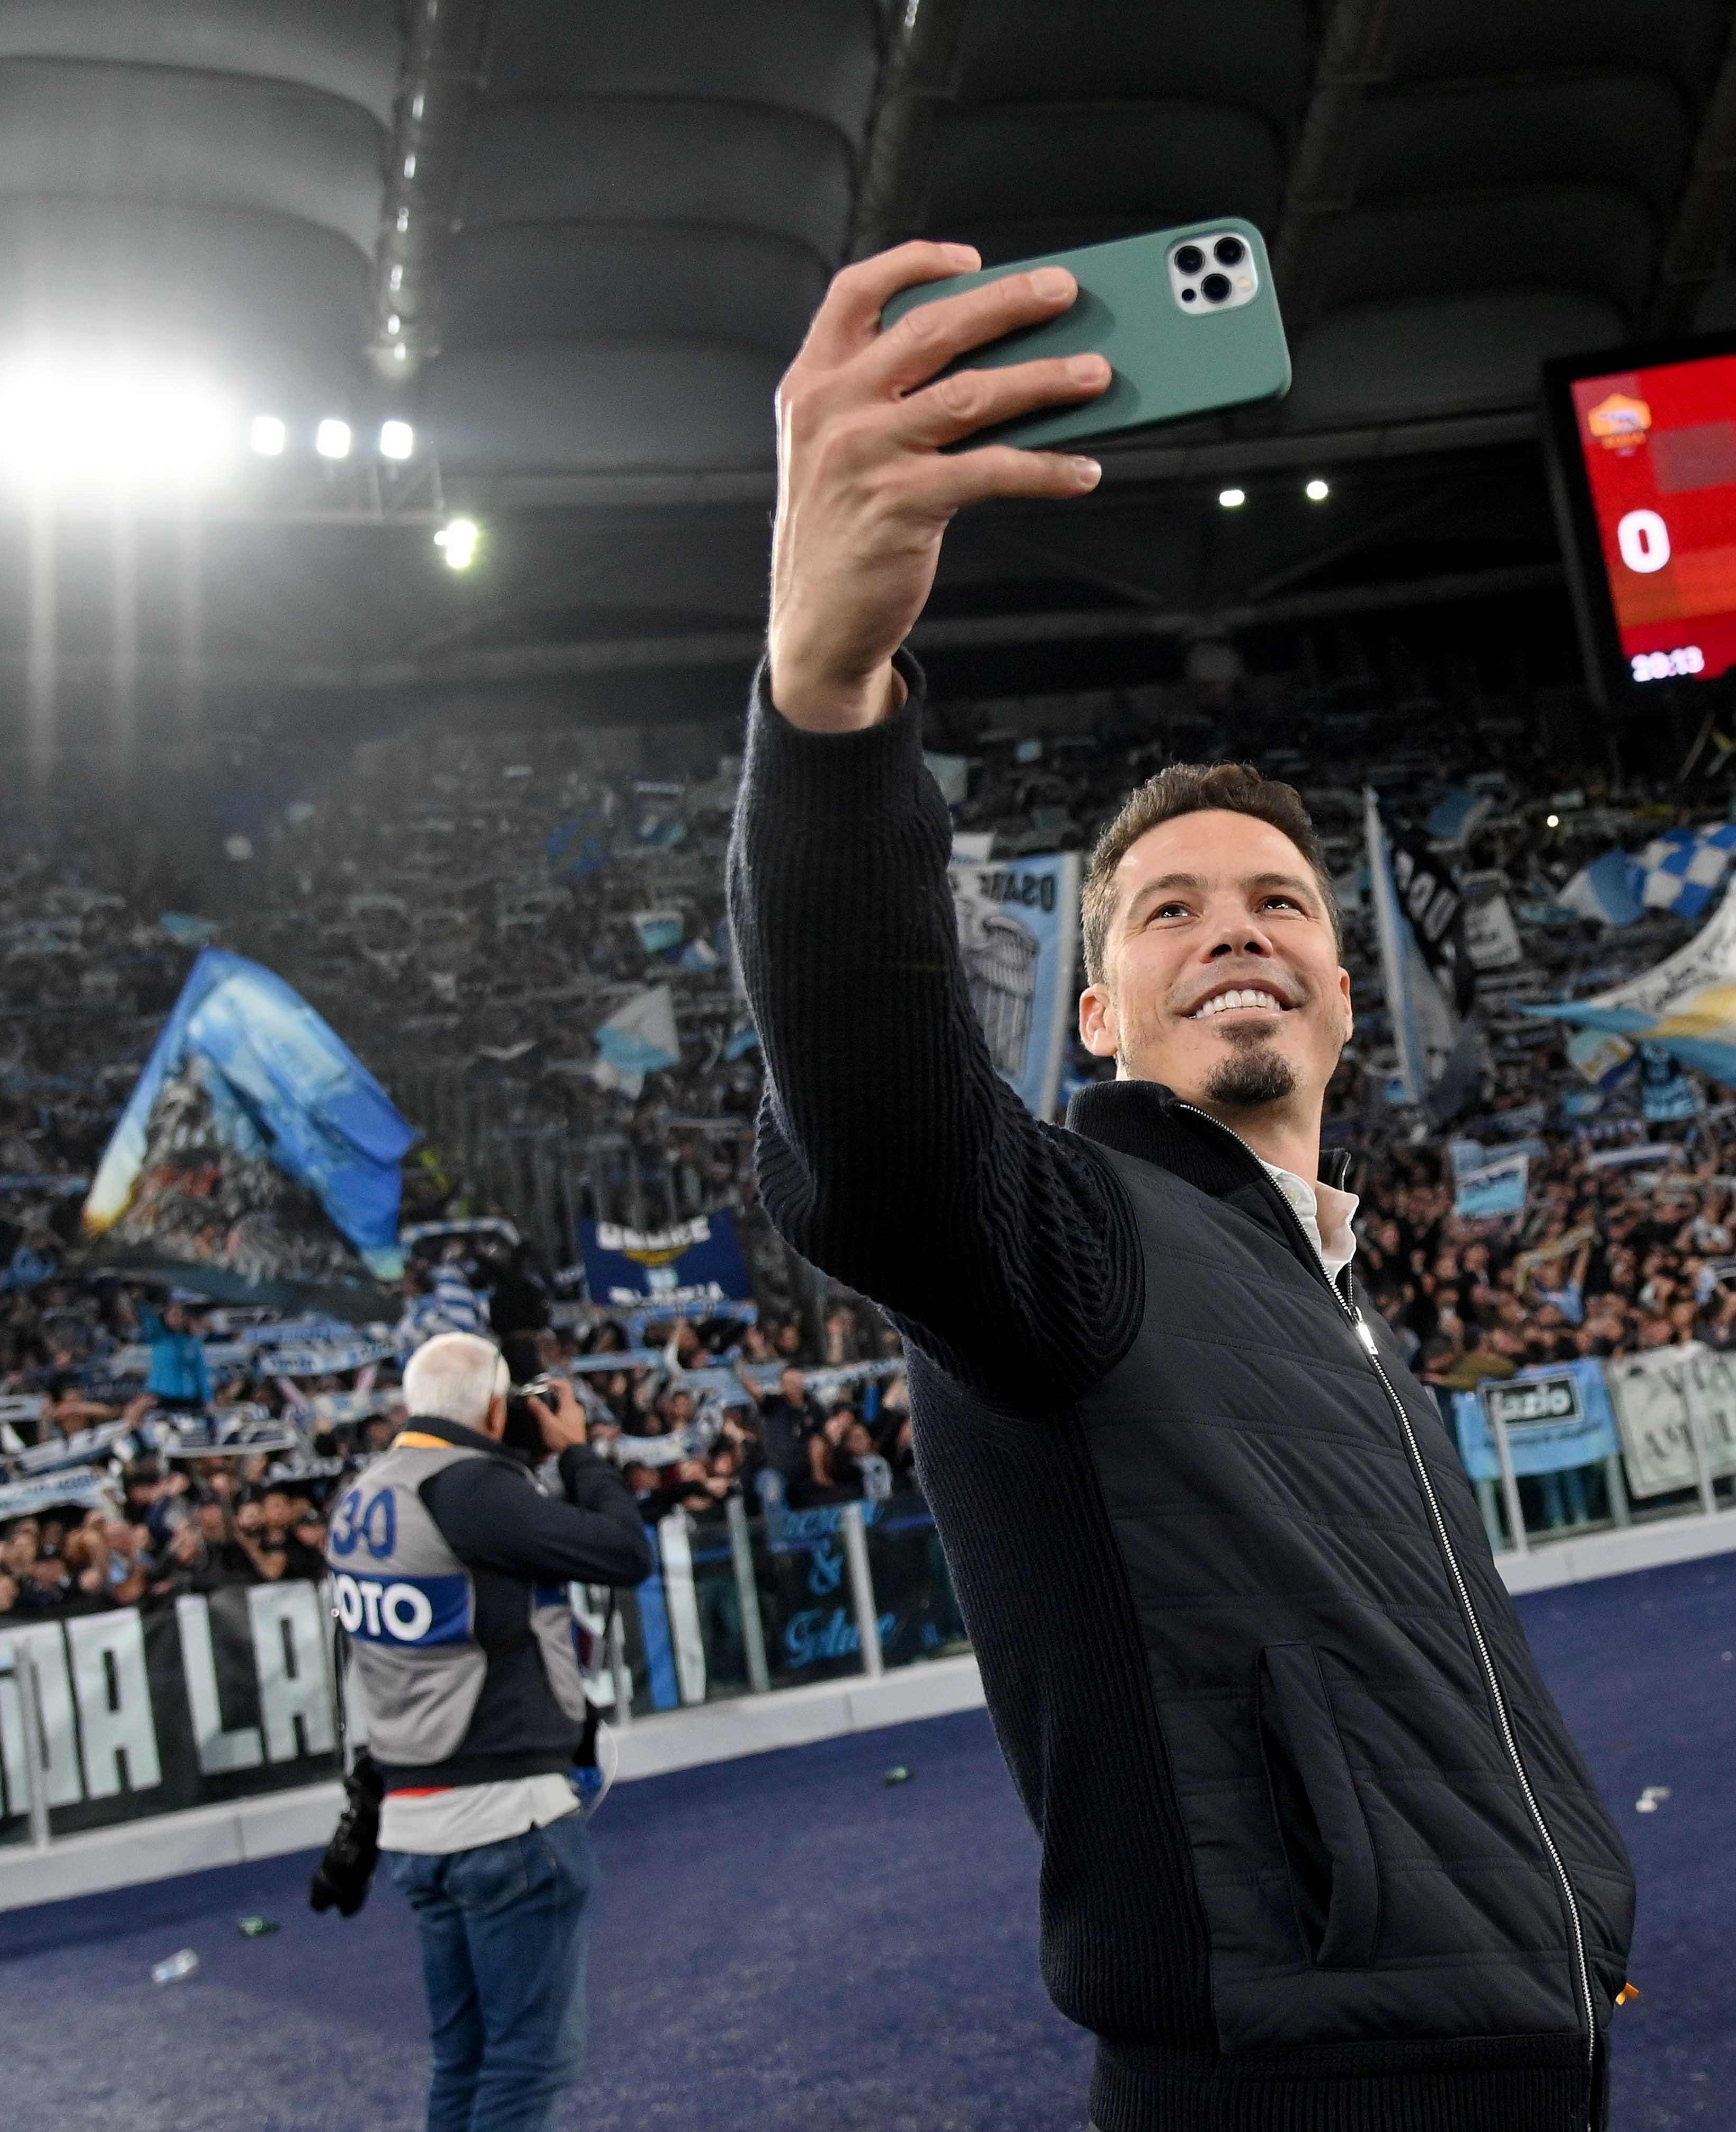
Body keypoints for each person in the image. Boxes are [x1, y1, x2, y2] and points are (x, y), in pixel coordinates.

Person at [737, 241, 1633, 2131]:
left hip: (1520, 2049)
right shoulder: (1077, 1234)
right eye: (1168, 908)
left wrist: (1570, 1901)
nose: (1234, 931)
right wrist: (826, 697)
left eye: (1276, 903)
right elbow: (881, 1125)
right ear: (1097, 1004)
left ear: (1335, 984)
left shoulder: (1332, 1298)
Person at [329, 1331, 652, 2132]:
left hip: (416, 1819)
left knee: (465, 2064)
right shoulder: (471, 1491)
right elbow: (622, 1551)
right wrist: (580, 1455)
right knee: (525, 2066)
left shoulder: (367, 1493)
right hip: (506, 1819)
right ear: (492, 1406)